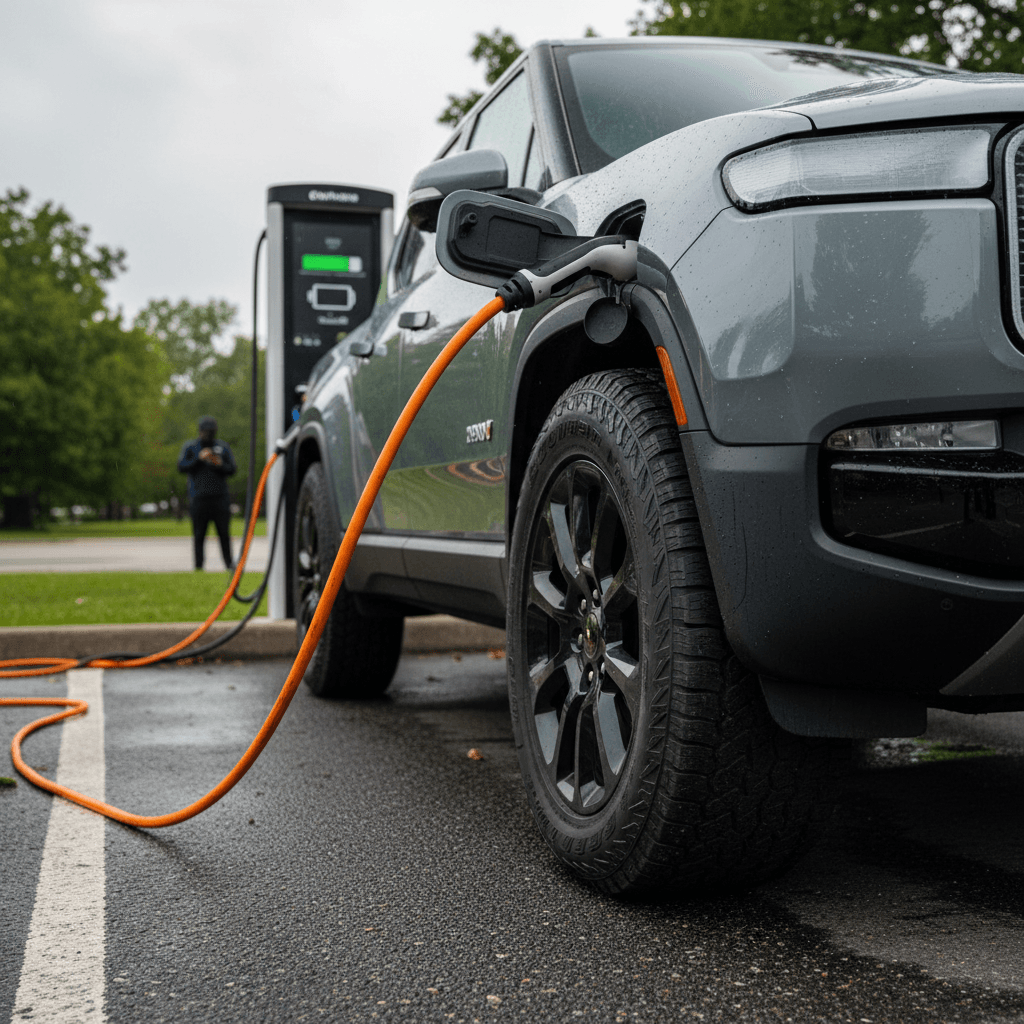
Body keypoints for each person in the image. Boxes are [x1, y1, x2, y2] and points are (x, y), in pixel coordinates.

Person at [177, 415, 237, 570]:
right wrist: (199, 458)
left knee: (224, 533)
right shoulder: (191, 447)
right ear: (200, 431)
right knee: (199, 534)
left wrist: (218, 463)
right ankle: (199, 566)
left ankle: (229, 564)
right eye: (206, 431)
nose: (208, 434)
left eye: (211, 431)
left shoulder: (222, 447)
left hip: (220, 497)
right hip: (199, 497)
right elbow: (181, 466)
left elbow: (232, 469)